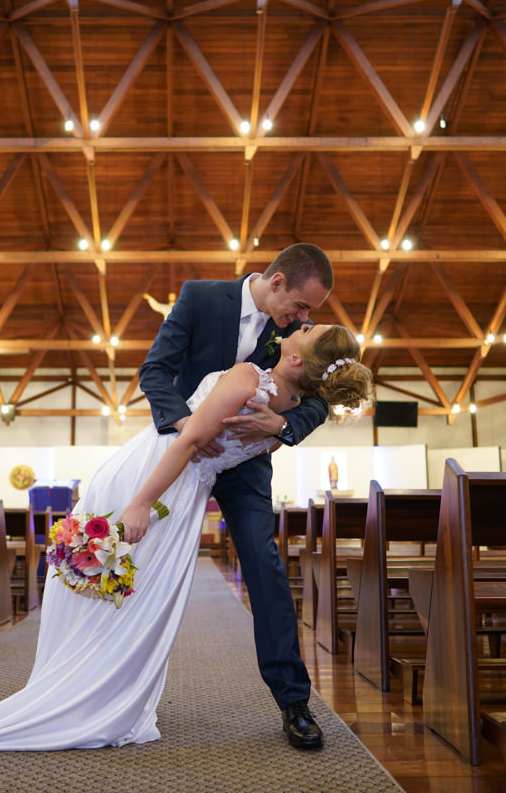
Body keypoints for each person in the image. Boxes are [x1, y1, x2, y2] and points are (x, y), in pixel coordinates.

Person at [0, 324, 372, 752]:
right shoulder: (274, 381)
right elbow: (177, 405)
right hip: (168, 479)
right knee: (109, 580)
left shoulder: (273, 390)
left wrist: (141, 502)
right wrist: (141, 500)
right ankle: (80, 688)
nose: (303, 321)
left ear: (294, 359)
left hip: (168, 481)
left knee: (132, 594)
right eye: (304, 316)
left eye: (308, 328)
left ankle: (91, 693)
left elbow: (194, 442)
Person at [139, 242, 334, 749]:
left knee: (264, 566)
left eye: (309, 313)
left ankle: (294, 702)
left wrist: (284, 423)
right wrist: (188, 428)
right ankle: (112, 682)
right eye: (301, 305)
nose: (303, 318)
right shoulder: (200, 298)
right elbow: (155, 371)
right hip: (183, 450)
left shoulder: (294, 334)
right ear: (277, 283)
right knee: (142, 554)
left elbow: (321, 398)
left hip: (246, 465)